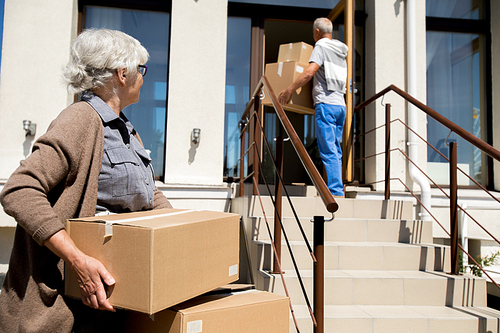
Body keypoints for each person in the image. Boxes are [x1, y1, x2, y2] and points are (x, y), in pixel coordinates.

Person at [0, 28, 173, 332]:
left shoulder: (128, 132)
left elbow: (150, 196)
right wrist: (77, 260)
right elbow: (19, 190)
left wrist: (184, 231)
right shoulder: (80, 119)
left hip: (117, 303)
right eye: (141, 69)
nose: (143, 77)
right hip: (72, 309)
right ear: (122, 73)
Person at [278, 18, 348, 197]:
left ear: (317, 32)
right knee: (336, 150)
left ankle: (335, 192)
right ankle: (337, 187)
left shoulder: (321, 47)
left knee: (328, 150)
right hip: (341, 105)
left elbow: (310, 72)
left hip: (326, 105)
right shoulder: (341, 51)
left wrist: (289, 90)